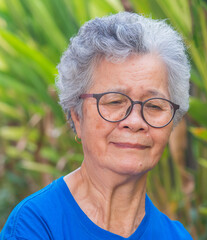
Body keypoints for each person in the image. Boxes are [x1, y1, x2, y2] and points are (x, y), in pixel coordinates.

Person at [0, 12, 192, 240]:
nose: (135, 122)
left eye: (154, 106)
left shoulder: (176, 236)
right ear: (77, 117)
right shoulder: (36, 225)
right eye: (115, 101)